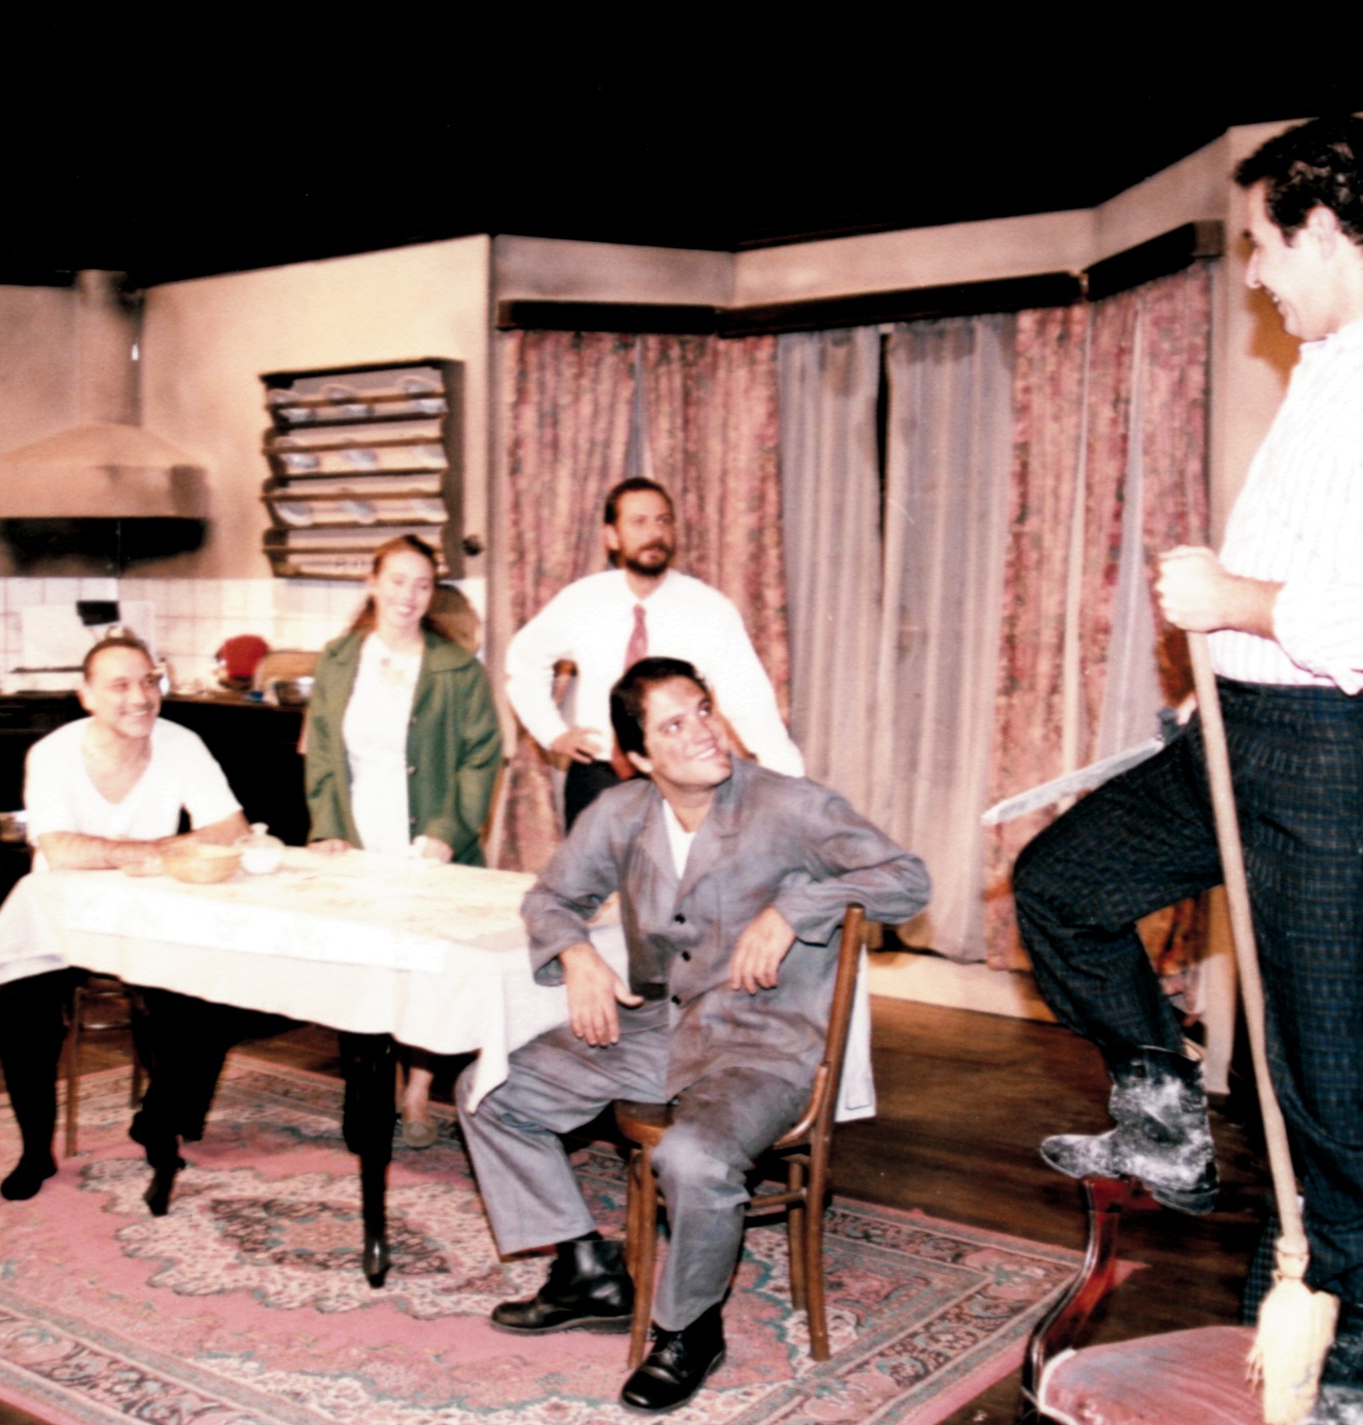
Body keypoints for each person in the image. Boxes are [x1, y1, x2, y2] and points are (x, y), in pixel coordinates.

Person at [1013, 115, 1363, 1425]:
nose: (1253, 272)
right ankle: (1162, 1107)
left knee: (1326, 1074)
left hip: (1340, 756)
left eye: (1261, 243)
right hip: (1234, 736)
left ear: (1324, 226)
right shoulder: (1336, 370)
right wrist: (1224, 647)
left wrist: (1238, 598)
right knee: (1064, 887)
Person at [460, 657, 928, 1413]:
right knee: (491, 1093)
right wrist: (575, 953)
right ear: (640, 757)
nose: (703, 731)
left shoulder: (790, 805)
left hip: (765, 1045)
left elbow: (906, 878)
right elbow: (550, 897)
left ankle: (690, 1328)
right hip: (663, 1027)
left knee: (693, 1155)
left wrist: (794, 911)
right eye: (674, 725)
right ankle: (587, 1270)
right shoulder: (620, 812)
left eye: (703, 709)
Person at [0, 632, 250, 1214]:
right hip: (62, 917)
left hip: (149, 914)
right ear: (86, 696)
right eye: (121, 685)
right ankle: (35, 1152)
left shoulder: (181, 743)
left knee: (212, 999)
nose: (140, 697)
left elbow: (231, 828)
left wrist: (140, 854)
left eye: (150, 681)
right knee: (19, 1021)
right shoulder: (53, 753)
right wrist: (158, 849)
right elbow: (61, 850)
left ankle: (158, 1118)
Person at [305, 535, 503, 1145]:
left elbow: (482, 757)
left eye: (422, 585)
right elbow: (321, 751)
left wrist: (448, 831)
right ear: (372, 583)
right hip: (359, 832)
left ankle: (417, 1091)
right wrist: (327, 826)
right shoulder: (339, 659)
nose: (408, 596)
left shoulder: (458, 669)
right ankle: (370, 1086)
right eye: (397, 581)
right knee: (364, 965)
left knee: (423, 971)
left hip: (428, 839)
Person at [505, 477, 804, 828]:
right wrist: (551, 732)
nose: (654, 533)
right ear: (611, 536)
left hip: (682, 780)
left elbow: (750, 701)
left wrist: (790, 790)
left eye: (663, 521)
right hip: (599, 778)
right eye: (639, 522)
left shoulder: (709, 609)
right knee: (591, 865)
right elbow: (523, 662)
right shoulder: (582, 601)